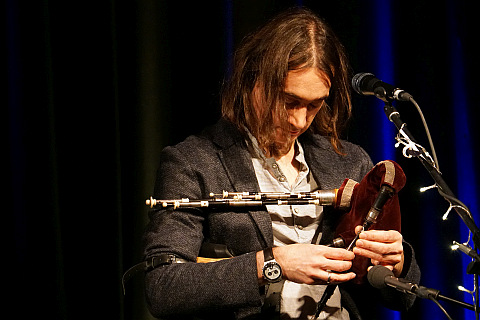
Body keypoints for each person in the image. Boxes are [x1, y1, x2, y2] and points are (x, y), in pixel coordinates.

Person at [142, 7, 420, 320]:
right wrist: (273, 264)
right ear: (253, 81)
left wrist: (394, 264)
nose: (299, 120)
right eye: (289, 101)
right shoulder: (195, 162)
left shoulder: (349, 161)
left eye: (314, 105)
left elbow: (400, 298)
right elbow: (163, 288)